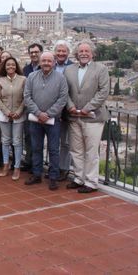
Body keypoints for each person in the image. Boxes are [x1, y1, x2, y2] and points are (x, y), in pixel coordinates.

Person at [64, 41, 110, 193]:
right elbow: (65, 91)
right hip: (73, 116)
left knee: (91, 151)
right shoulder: (69, 69)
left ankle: (91, 182)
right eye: (81, 51)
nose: (83, 53)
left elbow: (103, 92)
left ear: (92, 54)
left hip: (93, 117)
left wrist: (87, 108)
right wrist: (70, 106)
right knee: (76, 150)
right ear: (77, 54)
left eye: (86, 51)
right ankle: (79, 178)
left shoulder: (101, 69)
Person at [23, 52, 69, 191]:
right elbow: (27, 96)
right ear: (40, 62)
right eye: (44, 61)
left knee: (53, 149)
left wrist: (48, 114)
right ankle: (37, 174)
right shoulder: (31, 76)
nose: (46, 63)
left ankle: (53, 177)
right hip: (35, 119)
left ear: (54, 62)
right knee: (36, 147)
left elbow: (63, 99)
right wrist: (38, 113)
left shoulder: (61, 78)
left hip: (53, 120)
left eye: (49, 61)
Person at [0, 57, 26, 180]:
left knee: (17, 142)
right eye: (8, 65)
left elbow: (26, 97)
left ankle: (17, 167)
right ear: (4, 67)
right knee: (5, 141)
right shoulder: (0, 80)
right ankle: (6, 165)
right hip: (4, 115)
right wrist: (7, 111)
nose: (10, 67)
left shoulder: (23, 80)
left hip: (19, 115)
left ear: (16, 66)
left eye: (13, 65)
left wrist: (18, 111)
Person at [21, 43, 44, 172]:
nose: (34, 54)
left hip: (44, 109)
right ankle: (30, 161)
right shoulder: (26, 69)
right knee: (29, 136)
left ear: (41, 52)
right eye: (32, 52)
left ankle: (37, 165)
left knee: (40, 139)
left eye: (36, 52)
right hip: (29, 109)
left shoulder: (46, 67)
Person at [54, 40, 74, 181]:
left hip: (66, 111)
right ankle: (53, 168)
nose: (61, 53)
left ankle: (63, 168)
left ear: (68, 53)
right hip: (50, 110)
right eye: (59, 51)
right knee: (53, 142)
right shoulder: (50, 65)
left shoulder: (74, 67)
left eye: (64, 51)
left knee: (65, 143)